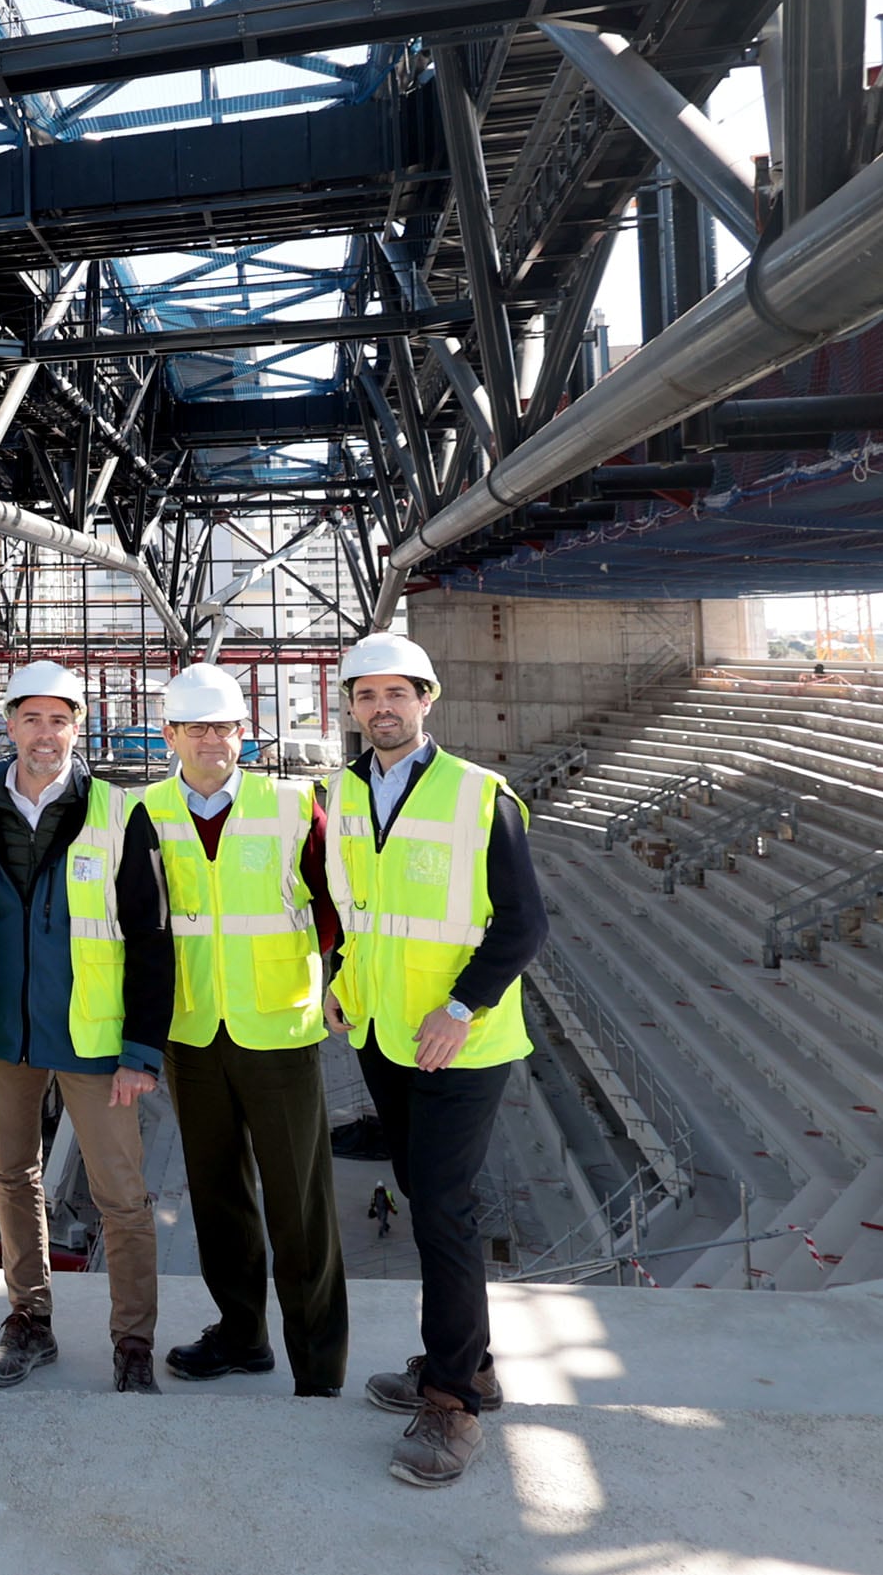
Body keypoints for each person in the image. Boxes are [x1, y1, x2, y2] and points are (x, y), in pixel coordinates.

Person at [324, 633, 551, 1489]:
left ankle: (452, 1400)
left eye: (395, 693)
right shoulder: (341, 792)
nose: (380, 707)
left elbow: (522, 923)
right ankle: (470, 1359)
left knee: (443, 1208)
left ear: (426, 699)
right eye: (364, 694)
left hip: (461, 1039)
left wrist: (462, 1007)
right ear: (350, 707)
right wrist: (340, 982)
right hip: (383, 1033)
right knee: (424, 1194)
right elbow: (355, 908)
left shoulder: (477, 795)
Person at [0, 660, 172, 1393]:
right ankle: (28, 1319)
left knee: (121, 1192)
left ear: (80, 726)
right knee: (11, 1174)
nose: (46, 734)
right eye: (32, 718)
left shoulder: (116, 811)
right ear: (7, 722)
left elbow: (150, 933)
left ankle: (132, 1338)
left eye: (60, 719)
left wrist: (140, 1047)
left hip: (94, 1037)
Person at [143, 662, 349, 1400]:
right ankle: (241, 1335)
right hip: (192, 1031)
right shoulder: (145, 811)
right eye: (192, 727)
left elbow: (337, 902)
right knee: (216, 1195)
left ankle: (318, 1368)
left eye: (222, 727)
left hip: (277, 1030)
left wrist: (327, 978)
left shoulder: (292, 804)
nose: (208, 740)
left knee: (300, 1205)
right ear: (169, 734)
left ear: (243, 733)